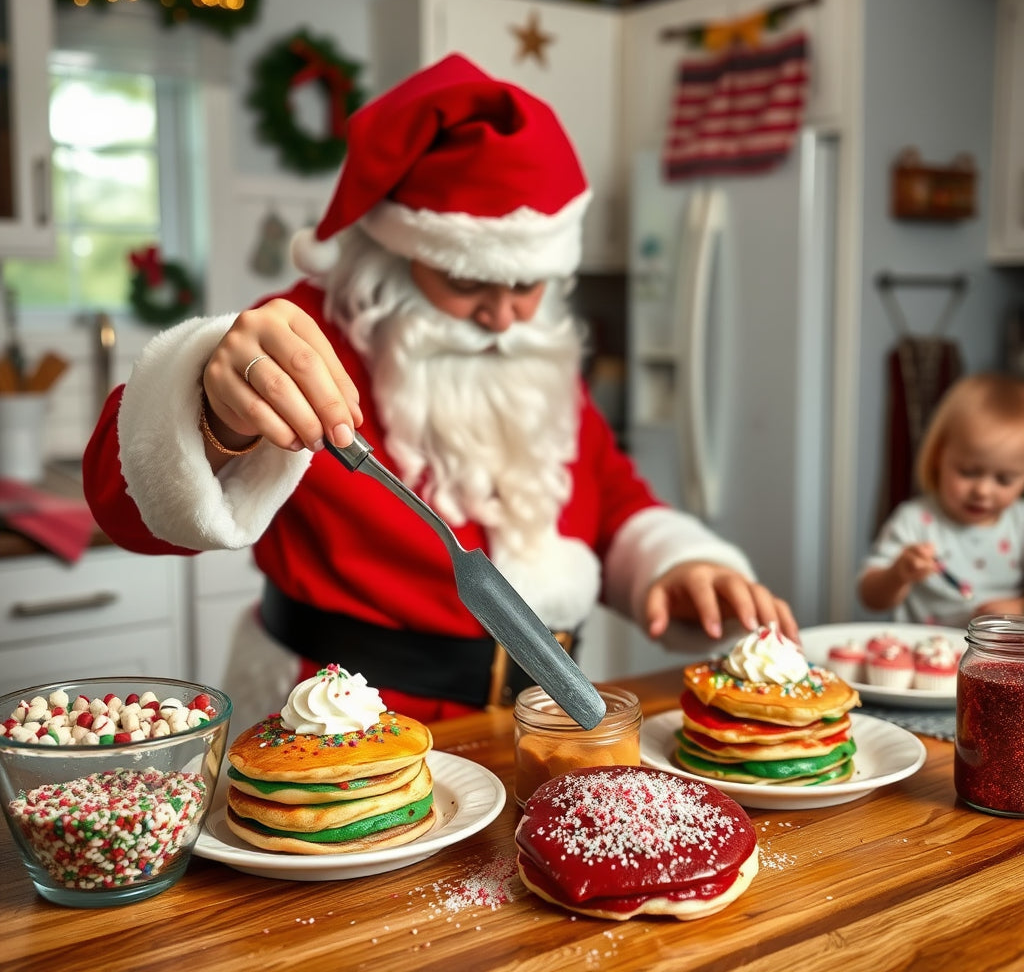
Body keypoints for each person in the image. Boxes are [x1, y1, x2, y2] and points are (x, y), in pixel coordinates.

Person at [83, 53, 796, 731]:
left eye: (527, 284)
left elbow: (607, 501)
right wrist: (213, 409)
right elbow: (127, 510)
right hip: (337, 732)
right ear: (400, 252)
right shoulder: (301, 340)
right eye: (466, 281)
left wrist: (676, 563)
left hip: (539, 722)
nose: (505, 315)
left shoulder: (533, 350)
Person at [858, 371, 1024, 626]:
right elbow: (870, 597)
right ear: (938, 455)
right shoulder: (914, 520)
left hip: (996, 660)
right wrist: (898, 574)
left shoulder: (1019, 521)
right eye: (968, 472)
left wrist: (1018, 607)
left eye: (1004, 479)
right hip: (921, 658)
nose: (982, 491)